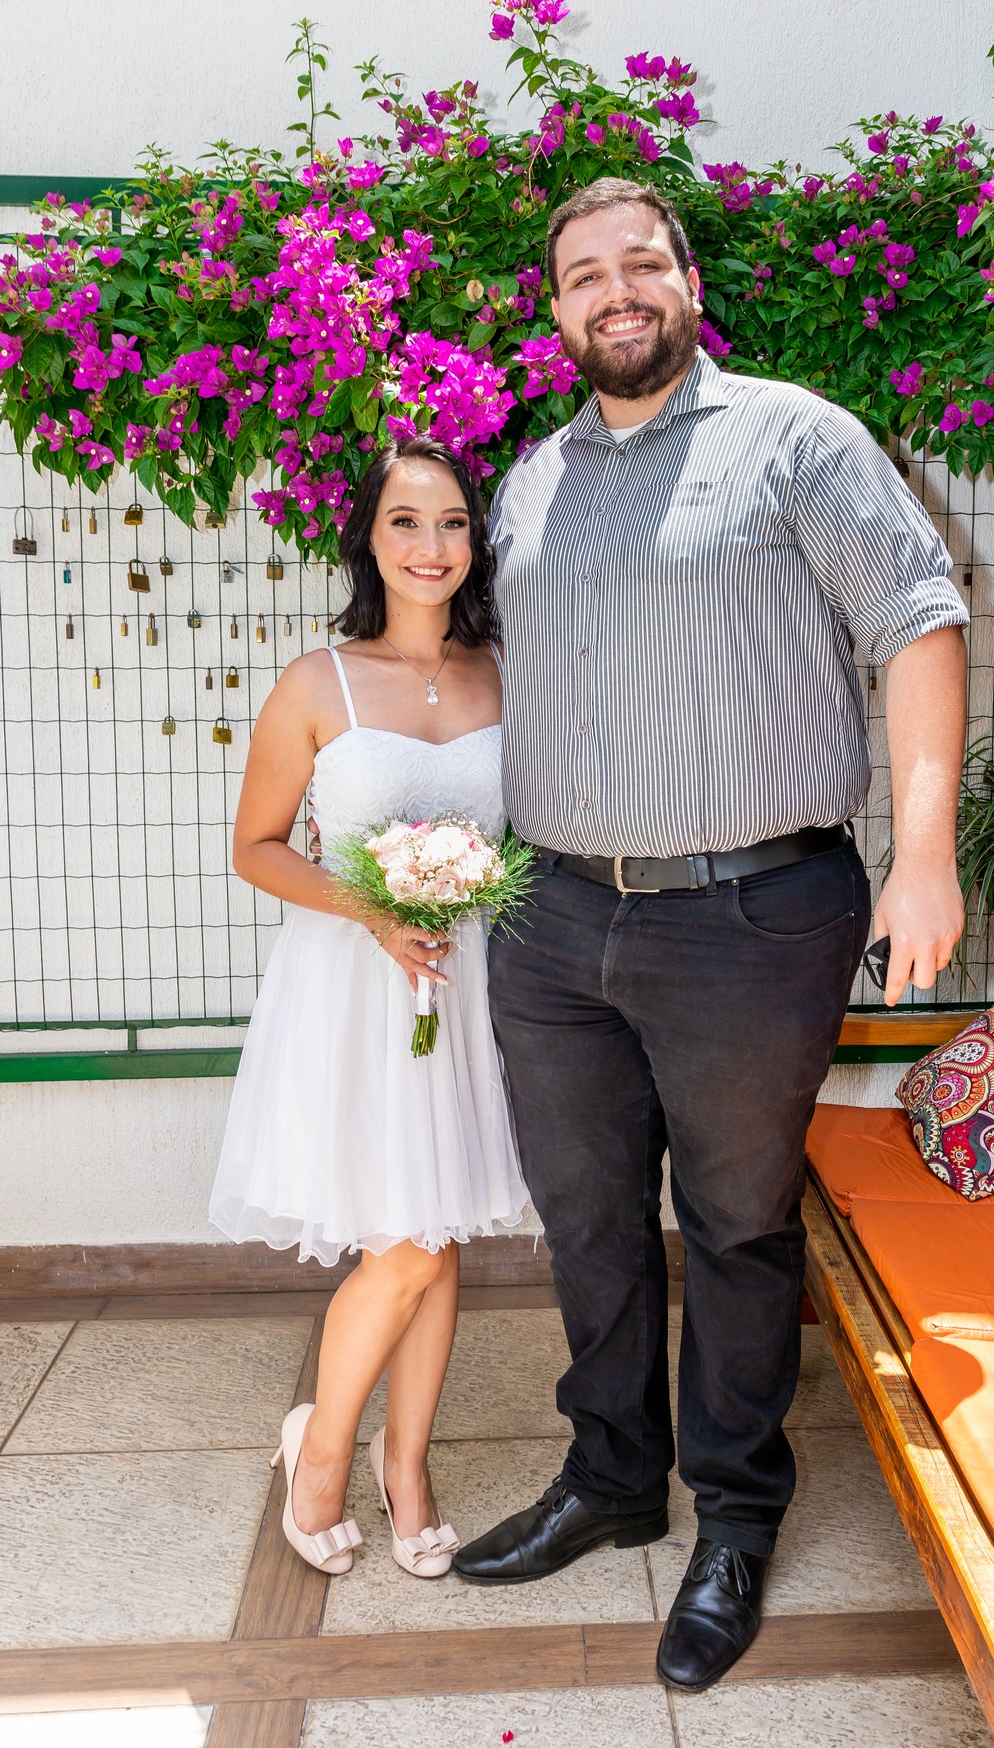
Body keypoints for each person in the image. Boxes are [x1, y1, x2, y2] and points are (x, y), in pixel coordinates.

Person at [450, 177, 969, 1692]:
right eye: (582, 275)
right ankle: (613, 1479)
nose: (613, 291)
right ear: (557, 310)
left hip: (751, 916)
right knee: (587, 1217)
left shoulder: (797, 439)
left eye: (640, 264)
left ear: (687, 281)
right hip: (553, 918)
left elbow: (919, 621)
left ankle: (736, 1517)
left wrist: (925, 855)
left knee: (736, 1226)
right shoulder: (530, 482)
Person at [209, 437, 528, 1582]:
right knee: (402, 1246)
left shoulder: (506, 672)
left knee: (437, 1240)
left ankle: (408, 1466)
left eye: (452, 522)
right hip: (355, 986)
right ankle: (321, 1456)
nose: (430, 546)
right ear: (368, 538)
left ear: (476, 540)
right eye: (405, 521)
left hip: (463, 986)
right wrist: (377, 911)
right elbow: (256, 846)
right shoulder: (318, 682)